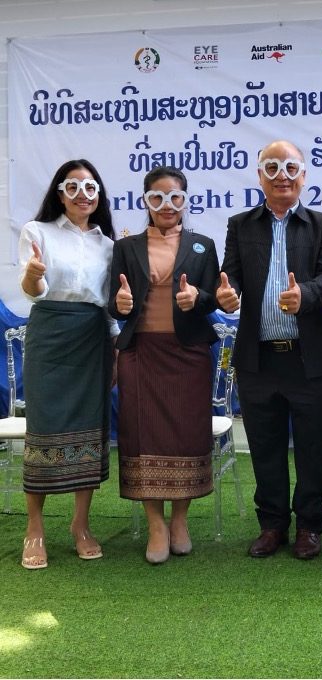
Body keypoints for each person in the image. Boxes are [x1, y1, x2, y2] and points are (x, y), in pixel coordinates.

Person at [216, 140, 322, 560]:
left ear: (303, 176)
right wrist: (227, 294)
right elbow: (230, 277)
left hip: (310, 358)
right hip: (259, 358)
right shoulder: (240, 225)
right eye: (272, 167)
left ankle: (309, 525)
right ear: (260, 176)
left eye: (290, 168)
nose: (281, 176)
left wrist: (305, 294)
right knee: (264, 446)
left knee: (312, 448)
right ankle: (271, 525)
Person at [108, 166, 219, 564]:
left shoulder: (203, 244)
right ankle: (156, 524)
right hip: (141, 353)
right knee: (142, 436)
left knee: (187, 434)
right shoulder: (126, 247)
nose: (167, 205)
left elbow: (213, 298)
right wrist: (120, 304)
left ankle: (180, 521)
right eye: (157, 197)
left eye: (175, 197)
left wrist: (198, 298)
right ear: (146, 201)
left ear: (185, 201)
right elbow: (114, 304)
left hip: (188, 354)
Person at [18, 159, 118, 569]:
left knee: (89, 428)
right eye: (73, 187)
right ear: (59, 194)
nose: (82, 195)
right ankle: (35, 528)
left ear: (99, 195)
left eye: (90, 187)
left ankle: (81, 525)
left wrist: (115, 350)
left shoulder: (108, 245)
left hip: (92, 339)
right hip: (49, 336)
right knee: (42, 429)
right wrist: (34, 275)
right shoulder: (36, 231)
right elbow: (33, 290)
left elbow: (109, 304)